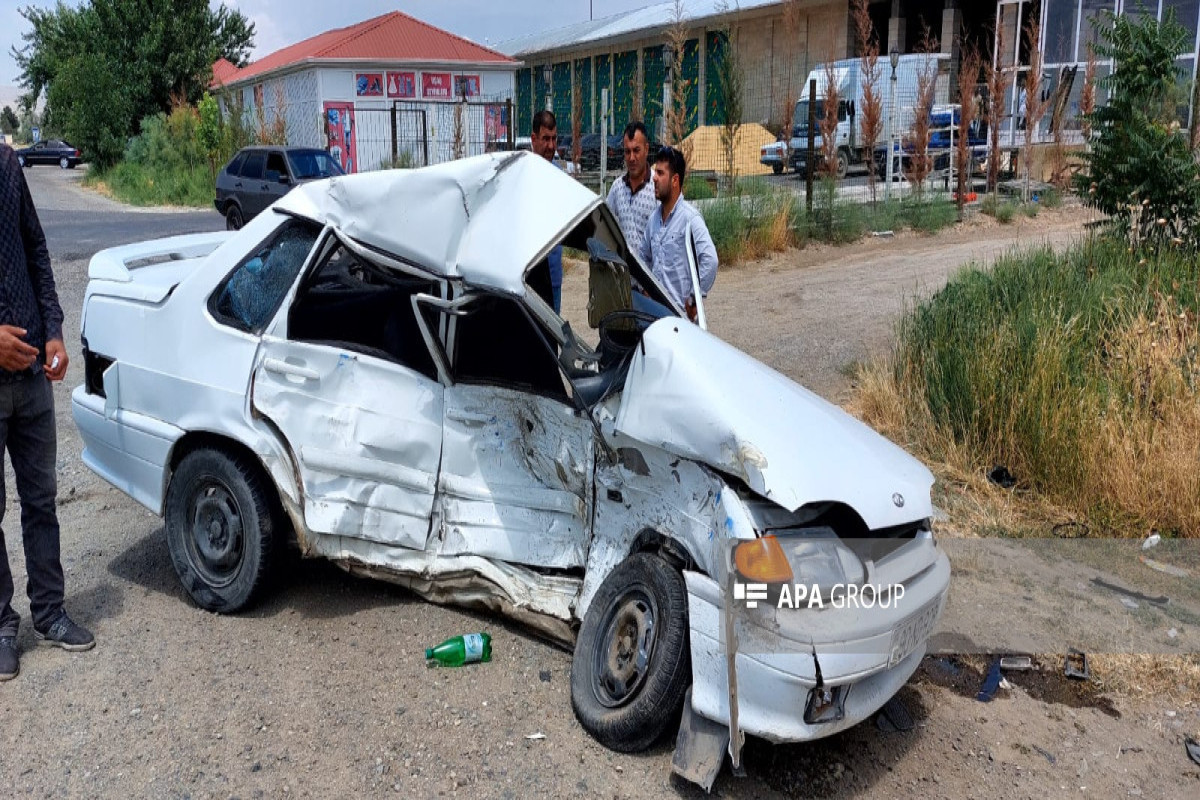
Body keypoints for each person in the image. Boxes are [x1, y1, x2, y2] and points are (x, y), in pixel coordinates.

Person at [0, 143, 95, 682]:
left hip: (33, 376)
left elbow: (37, 251)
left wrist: (55, 330)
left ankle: (50, 612)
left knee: (41, 500)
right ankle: (0, 627)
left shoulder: (9, 167)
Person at [640, 146, 718, 323]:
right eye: (655, 172)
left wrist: (693, 298)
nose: (654, 178)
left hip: (681, 322)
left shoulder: (690, 219)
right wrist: (645, 289)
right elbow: (643, 257)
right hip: (655, 320)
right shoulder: (653, 220)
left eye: (660, 173)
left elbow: (710, 260)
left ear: (675, 180)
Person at [529, 109, 564, 313]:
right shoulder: (523, 173)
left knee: (552, 339)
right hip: (527, 277)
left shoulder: (560, 177)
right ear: (534, 139)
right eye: (545, 139)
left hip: (553, 276)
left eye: (554, 139)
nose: (551, 145)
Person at [605, 121, 657, 258]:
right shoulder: (617, 188)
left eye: (636, 150)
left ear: (646, 149)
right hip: (623, 277)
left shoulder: (657, 188)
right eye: (627, 151)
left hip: (650, 277)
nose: (631, 158)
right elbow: (605, 226)